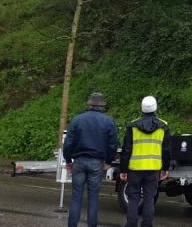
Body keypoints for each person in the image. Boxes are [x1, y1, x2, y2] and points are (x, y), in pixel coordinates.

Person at [63, 92, 118, 227]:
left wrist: (68, 160)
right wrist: (109, 162)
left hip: (79, 161)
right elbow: (113, 144)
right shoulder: (108, 121)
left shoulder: (77, 119)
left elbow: (68, 143)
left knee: (76, 196)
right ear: (102, 106)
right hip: (97, 163)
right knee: (93, 197)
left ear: (89, 104)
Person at [120, 95, 171, 227]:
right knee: (149, 198)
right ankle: (147, 224)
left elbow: (126, 149)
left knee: (133, 198)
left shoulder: (132, 126)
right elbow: (166, 150)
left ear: (142, 109)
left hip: (135, 169)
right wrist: (165, 168)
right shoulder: (163, 126)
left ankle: (131, 224)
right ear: (155, 108)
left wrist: (123, 169)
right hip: (153, 169)